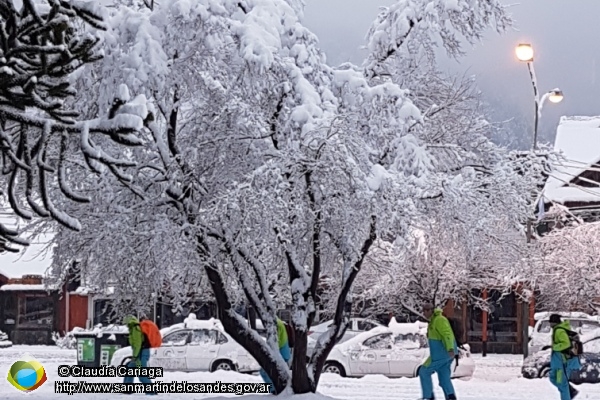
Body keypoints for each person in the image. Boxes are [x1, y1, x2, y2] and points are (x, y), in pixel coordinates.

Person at [418, 303, 458, 400]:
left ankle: (428, 397)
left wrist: (450, 349)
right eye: (423, 310)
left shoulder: (439, 320)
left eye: (425, 311)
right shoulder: (433, 321)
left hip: (441, 354)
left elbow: (447, 334)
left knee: (424, 371)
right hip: (444, 354)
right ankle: (451, 397)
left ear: (431, 310)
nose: (424, 313)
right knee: (444, 379)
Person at [547, 314, 582, 400]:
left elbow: (566, 344)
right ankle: (571, 391)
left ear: (553, 322)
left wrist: (555, 347)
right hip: (559, 362)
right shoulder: (558, 330)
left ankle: (568, 394)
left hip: (562, 362)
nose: (550, 324)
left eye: (551, 322)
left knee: (562, 383)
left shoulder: (559, 331)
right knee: (554, 379)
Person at [123, 315, 155, 395]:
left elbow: (137, 344)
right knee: (130, 368)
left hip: (142, 352)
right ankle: (127, 389)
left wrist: (135, 356)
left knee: (142, 374)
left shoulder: (135, 329)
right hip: (141, 351)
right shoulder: (134, 328)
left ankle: (151, 391)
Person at [259, 318, 291, 394]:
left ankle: (274, 390)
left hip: (280, 353)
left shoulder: (274, 324)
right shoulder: (277, 322)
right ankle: (276, 389)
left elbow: (275, 341)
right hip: (284, 352)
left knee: (264, 371)